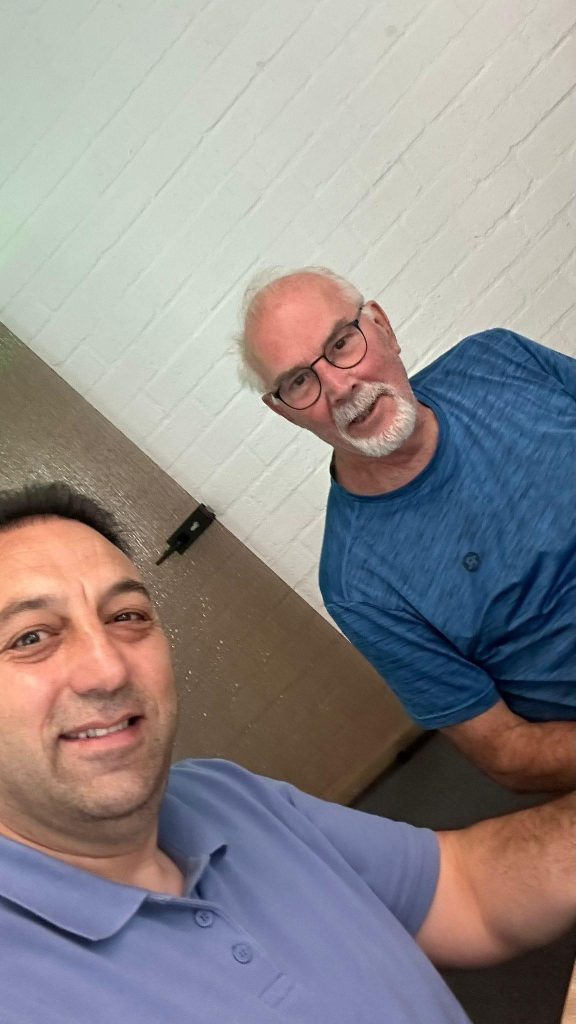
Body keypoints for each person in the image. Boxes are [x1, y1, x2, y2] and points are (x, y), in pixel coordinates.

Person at [0, 481, 575, 1023]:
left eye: (126, 617)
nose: (108, 669)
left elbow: (462, 889)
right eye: (30, 637)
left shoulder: (221, 794)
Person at [238, 267, 576, 793]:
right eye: (299, 381)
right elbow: (506, 752)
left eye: (341, 343)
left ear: (382, 326)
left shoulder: (499, 359)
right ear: (283, 411)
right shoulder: (356, 585)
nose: (340, 387)